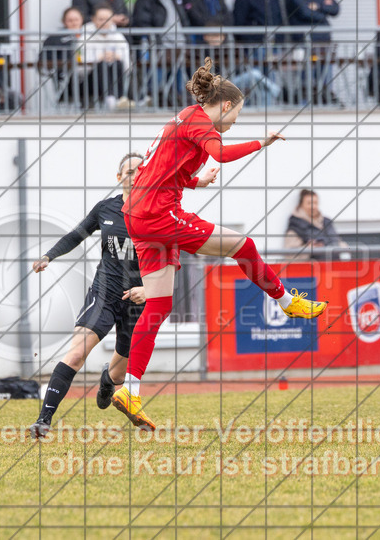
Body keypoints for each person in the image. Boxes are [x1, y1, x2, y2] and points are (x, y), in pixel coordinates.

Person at [114, 58, 328, 430]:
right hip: (159, 215)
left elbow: (161, 171)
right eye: (236, 116)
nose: (233, 124)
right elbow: (222, 154)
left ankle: (129, 389)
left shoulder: (185, 116)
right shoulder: (202, 122)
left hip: (137, 214)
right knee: (242, 245)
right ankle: (287, 302)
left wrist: (197, 183)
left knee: (160, 304)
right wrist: (263, 141)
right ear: (225, 105)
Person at [28, 153, 147, 437]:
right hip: (104, 292)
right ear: (119, 178)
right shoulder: (106, 209)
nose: (134, 175)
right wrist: (49, 256)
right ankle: (43, 421)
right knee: (78, 352)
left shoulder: (158, 211)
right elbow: (76, 235)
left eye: (140, 170)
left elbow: (171, 255)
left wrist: (150, 289)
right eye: (128, 171)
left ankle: (108, 378)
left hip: (138, 300)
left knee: (119, 376)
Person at [285, 0, 341, 104]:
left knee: (326, 81)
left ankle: (325, 107)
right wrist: (324, 8)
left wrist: (317, 6)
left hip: (324, 42)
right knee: (306, 82)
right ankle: (304, 110)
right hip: (305, 42)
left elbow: (336, 8)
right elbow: (303, 12)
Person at [82, 5, 132, 109]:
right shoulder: (84, 36)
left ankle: (119, 98)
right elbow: (80, 65)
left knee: (117, 63)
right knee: (103, 64)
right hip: (89, 80)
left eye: (108, 19)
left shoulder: (118, 37)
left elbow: (128, 65)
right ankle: (110, 98)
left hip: (114, 74)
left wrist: (117, 56)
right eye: (101, 19)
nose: (104, 22)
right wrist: (99, 58)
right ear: (93, 19)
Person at [38, 7, 85, 106]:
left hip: (88, 74)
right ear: (64, 22)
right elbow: (44, 58)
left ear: (82, 20)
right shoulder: (55, 38)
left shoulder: (89, 35)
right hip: (66, 76)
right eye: (70, 20)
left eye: (76, 20)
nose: (74, 23)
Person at [283, 190, 347, 258]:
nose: (313, 206)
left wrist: (343, 248)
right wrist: (308, 249)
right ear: (301, 205)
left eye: (315, 203)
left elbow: (339, 243)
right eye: (309, 203)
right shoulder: (295, 226)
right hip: (312, 267)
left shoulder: (327, 222)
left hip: (335, 266)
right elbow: (290, 256)